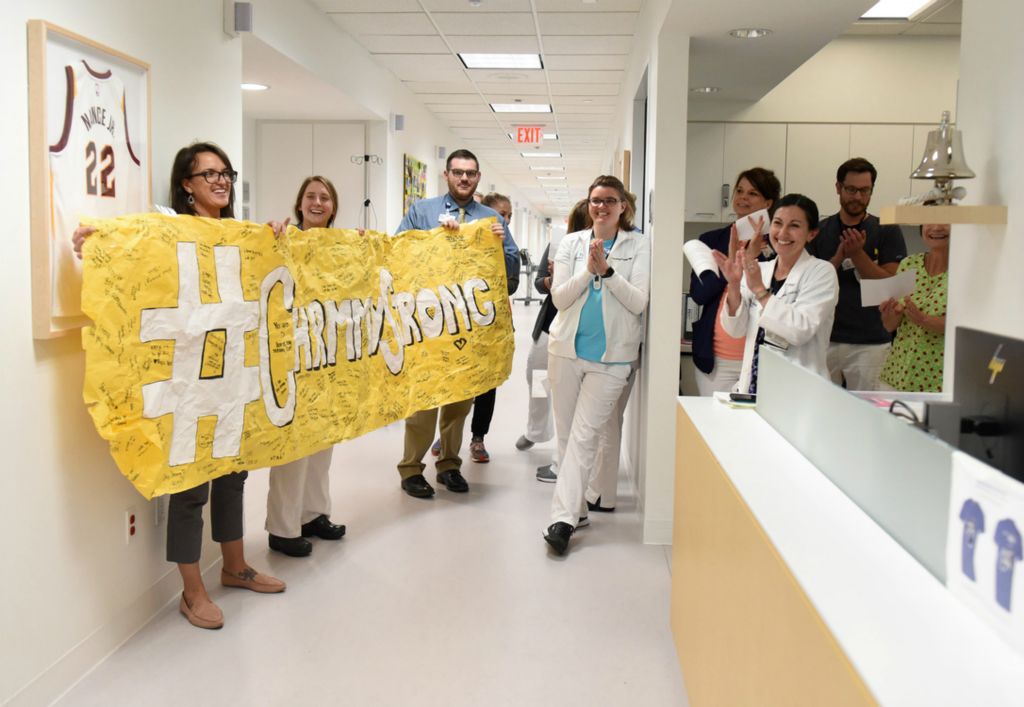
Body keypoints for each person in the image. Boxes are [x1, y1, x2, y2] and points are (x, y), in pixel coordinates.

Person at [73, 142, 285, 630]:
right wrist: (98, 241)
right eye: (207, 173)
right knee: (190, 485)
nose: (220, 180)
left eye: (225, 172)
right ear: (186, 184)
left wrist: (276, 234)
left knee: (233, 473)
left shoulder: (240, 233)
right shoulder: (166, 227)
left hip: (232, 371)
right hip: (186, 379)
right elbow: (135, 251)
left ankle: (235, 566)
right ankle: (192, 592)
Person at [395, 149, 520, 498]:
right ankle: (410, 469)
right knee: (422, 402)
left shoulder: (492, 217)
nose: (464, 178)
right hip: (429, 326)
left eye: (470, 173)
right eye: (458, 172)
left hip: (468, 329)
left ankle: (449, 464)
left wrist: (498, 245)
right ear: (446, 175)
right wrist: (438, 239)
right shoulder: (422, 212)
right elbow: (399, 254)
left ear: (478, 178)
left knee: (459, 403)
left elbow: (511, 274)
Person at [543, 175, 650, 556]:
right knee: (568, 436)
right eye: (595, 200)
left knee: (586, 435)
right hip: (565, 351)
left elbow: (638, 302)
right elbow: (559, 298)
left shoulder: (639, 245)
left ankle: (562, 521)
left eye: (609, 200)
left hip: (613, 358)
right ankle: (577, 508)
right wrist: (589, 269)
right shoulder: (571, 242)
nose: (601, 206)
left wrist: (607, 271)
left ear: (623, 205)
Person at [264, 176, 347, 557]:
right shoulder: (282, 240)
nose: (317, 203)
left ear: (333, 207)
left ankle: (313, 513)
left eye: (324, 197)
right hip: (293, 357)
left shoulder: (343, 246)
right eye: (310, 197)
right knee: (293, 448)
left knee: (322, 444)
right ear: (299, 204)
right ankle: (282, 528)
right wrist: (269, 236)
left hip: (328, 357)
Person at [715, 194, 839, 394]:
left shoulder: (821, 272)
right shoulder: (761, 270)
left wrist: (760, 292)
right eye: (778, 223)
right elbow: (735, 329)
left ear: (812, 234)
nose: (783, 233)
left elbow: (800, 330)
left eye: (794, 226)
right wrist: (735, 285)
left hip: (798, 391)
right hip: (755, 387)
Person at [805, 158, 906, 390]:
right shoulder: (820, 231)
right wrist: (840, 257)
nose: (858, 197)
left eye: (864, 190)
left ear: (872, 191)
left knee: (869, 412)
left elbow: (890, 285)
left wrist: (858, 255)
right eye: (851, 189)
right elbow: (811, 281)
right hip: (825, 339)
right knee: (821, 409)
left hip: (871, 343)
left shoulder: (887, 230)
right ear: (838, 188)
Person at [518, 199, 591, 484]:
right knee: (536, 377)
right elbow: (539, 283)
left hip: (577, 328)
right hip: (550, 324)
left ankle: (565, 457)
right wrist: (550, 280)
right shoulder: (558, 245)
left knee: (568, 394)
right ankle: (536, 431)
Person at [690, 168, 781, 395]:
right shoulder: (711, 241)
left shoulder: (779, 245)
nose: (743, 197)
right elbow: (699, 295)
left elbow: (778, 295)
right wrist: (732, 266)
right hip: (715, 358)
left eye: (752, 193)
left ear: (768, 202)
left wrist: (754, 256)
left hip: (761, 357)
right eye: (739, 191)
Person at [878, 222, 950, 392]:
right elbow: (890, 326)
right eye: (929, 221)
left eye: (945, 221)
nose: (936, 227)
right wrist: (890, 313)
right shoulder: (909, 264)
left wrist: (923, 319)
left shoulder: (964, 271)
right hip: (897, 372)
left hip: (936, 380)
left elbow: (964, 326)